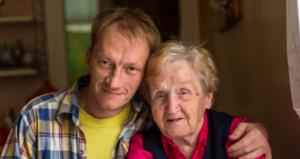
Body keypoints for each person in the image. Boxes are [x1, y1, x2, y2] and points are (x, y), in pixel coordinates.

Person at [1, 8, 271, 159]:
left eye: (131, 68)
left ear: (145, 75)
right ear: (88, 58)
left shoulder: (160, 119)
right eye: (106, 63)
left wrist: (257, 132)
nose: (114, 81)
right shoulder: (35, 118)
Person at [127, 39, 266, 159]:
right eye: (160, 95)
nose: (171, 107)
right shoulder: (142, 146)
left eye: (183, 93)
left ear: (207, 98)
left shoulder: (235, 134)